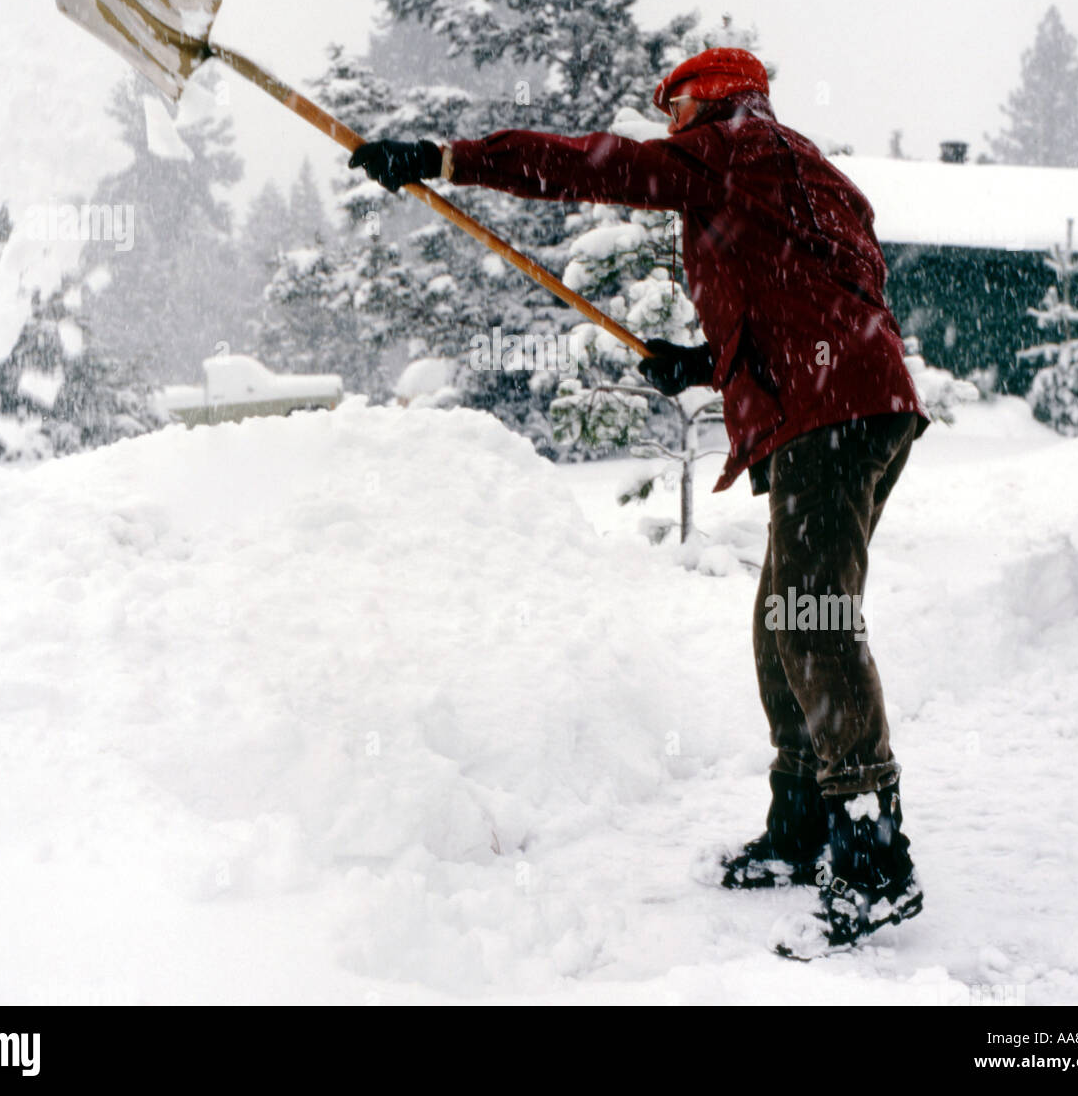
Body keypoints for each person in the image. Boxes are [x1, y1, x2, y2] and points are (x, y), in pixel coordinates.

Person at [349, 47, 930, 956]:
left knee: (812, 619)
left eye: (672, 113)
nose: (666, 131)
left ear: (706, 102)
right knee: (787, 615)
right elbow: (826, 290)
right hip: (863, 402)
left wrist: (447, 156)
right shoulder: (806, 169)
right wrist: (709, 365)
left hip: (833, 414)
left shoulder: (731, 145)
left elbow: (594, 164)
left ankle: (873, 857)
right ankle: (803, 827)